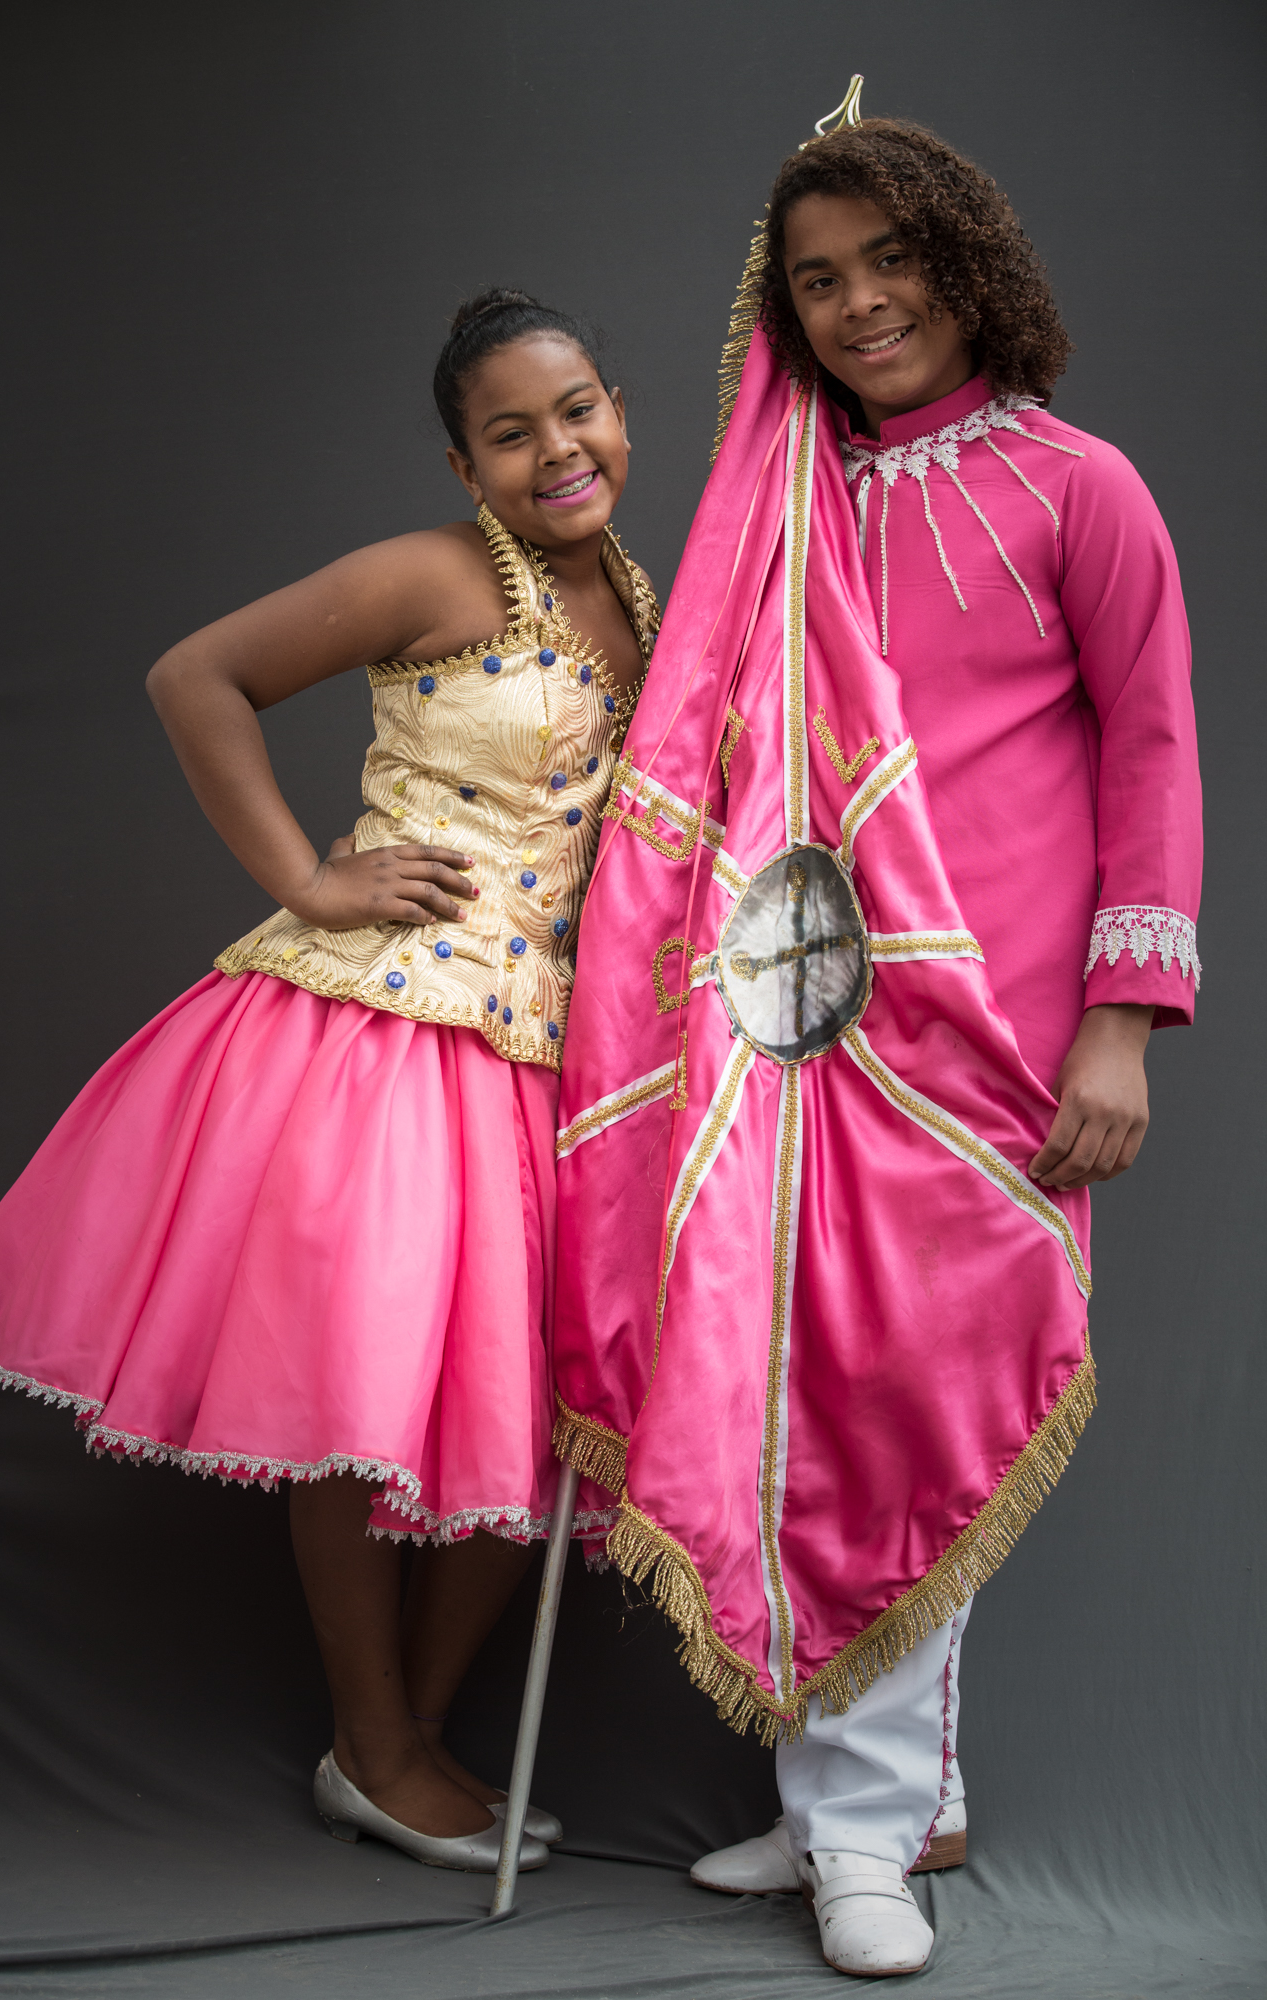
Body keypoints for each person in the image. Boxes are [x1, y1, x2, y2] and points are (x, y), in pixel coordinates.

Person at [549, 90, 1200, 1976]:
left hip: (988, 1034)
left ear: (964, 259)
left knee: (917, 1405)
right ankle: (868, 1811)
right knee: (798, 1392)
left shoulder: (1082, 487)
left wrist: (1121, 1025)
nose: (857, 306)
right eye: (816, 281)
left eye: (889, 261)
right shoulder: (785, 502)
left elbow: (1154, 753)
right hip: (790, 1016)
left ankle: (860, 1830)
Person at [0, 289, 657, 1874]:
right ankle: (379, 1742)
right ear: (462, 461)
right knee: (358, 1387)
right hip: (389, 1037)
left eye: (580, 408)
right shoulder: (433, 572)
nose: (559, 449)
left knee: (526, 1414)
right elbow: (195, 676)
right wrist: (311, 882)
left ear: (620, 411)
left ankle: (403, 1736)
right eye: (513, 430)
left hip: (555, 1055)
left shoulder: (654, 606)